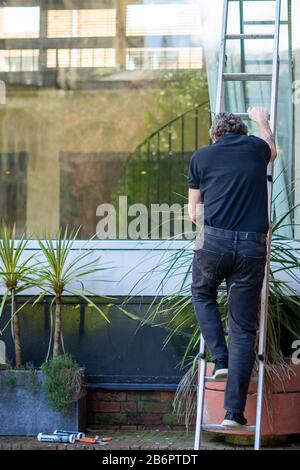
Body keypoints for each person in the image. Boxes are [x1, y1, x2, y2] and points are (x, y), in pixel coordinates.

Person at [187, 107, 277, 427]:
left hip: (214, 243)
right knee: (242, 328)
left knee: (202, 292)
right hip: (252, 246)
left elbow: (194, 215)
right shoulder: (255, 147)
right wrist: (262, 119)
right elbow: (273, 149)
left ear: (215, 135)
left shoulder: (201, 156)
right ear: (240, 131)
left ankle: (219, 359)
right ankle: (233, 414)